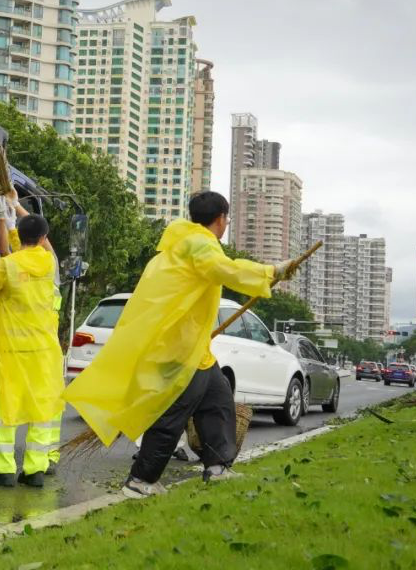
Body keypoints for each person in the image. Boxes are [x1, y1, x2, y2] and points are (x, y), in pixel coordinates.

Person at [62, 191, 299, 498]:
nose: (226, 223)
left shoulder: (177, 245)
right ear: (221, 219)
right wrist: (271, 272)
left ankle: (217, 466)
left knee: (218, 401)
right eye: (226, 218)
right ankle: (141, 480)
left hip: (192, 347)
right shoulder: (198, 244)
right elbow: (225, 269)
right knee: (173, 412)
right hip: (178, 349)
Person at [0, 210, 63, 488]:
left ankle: (3, 468)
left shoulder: (8, 266)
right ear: (44, 238)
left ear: (21, 237)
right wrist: (12, 220)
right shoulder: (48, 263)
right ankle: (35, 470)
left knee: (4, 411)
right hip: (45, 352)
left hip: (11, 351)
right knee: (40, 409)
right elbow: (32, 249)